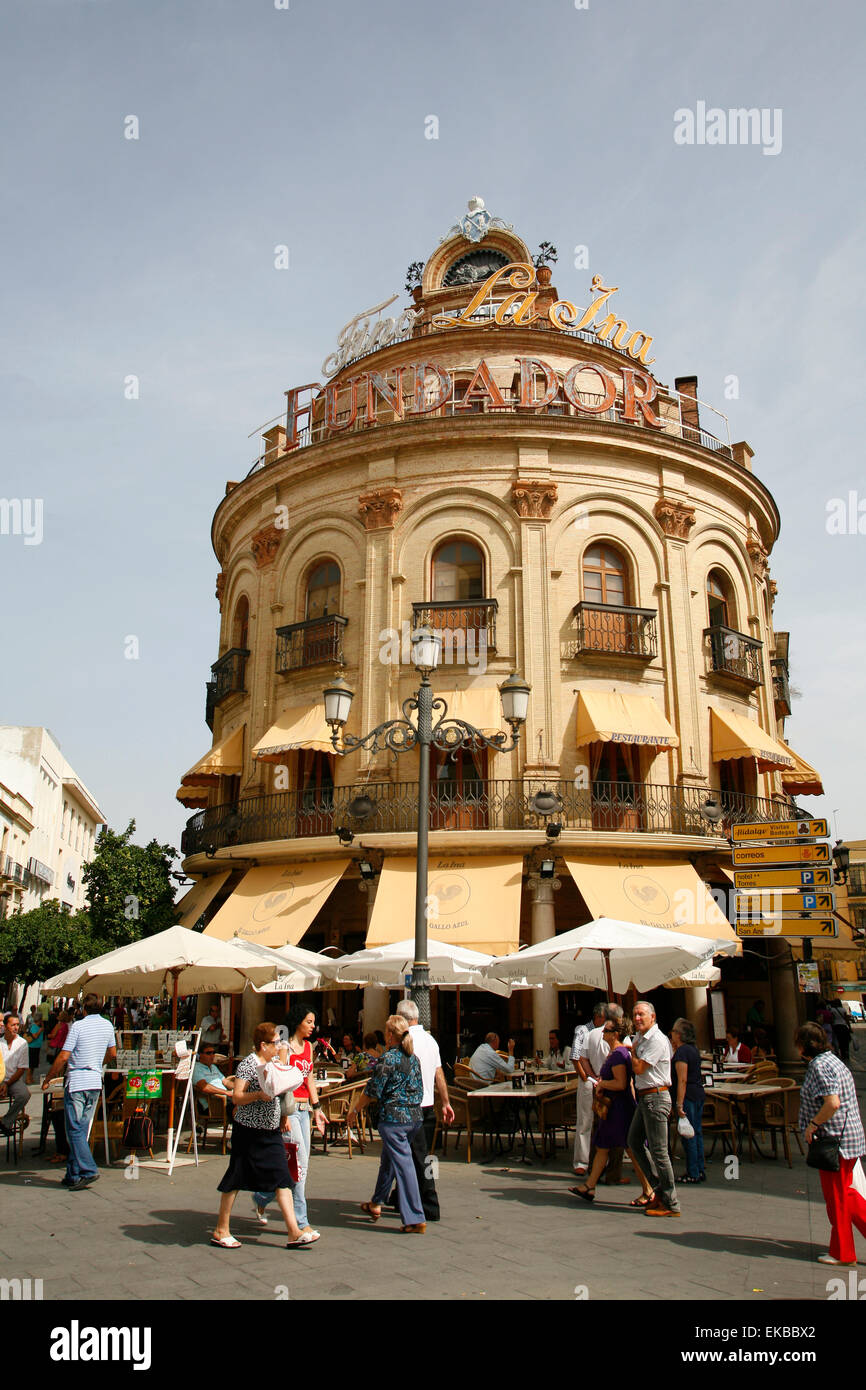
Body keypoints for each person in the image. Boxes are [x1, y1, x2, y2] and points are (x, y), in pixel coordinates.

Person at [212, 1021, 316, 1249]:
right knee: (236, 1177)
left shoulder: (274, 1063)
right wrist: (258, 1094)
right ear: (263, 1044)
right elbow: (237, 1097)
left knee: (282, 1178)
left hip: (270, 1131)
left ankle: (293, 1231)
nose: (279, 1046)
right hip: (248, 1131)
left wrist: (282, 1116)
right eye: (275, 1043)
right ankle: (221, 1229)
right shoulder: (249, 1064)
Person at [252, 1005, 327, 1238]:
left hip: (304, 1110)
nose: (313, 1026)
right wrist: (283, 1115)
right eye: (309, 1022)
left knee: (294, 1167)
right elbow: (280, 1082)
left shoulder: (309, 1047)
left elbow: (310, 1078)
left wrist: (317, 1109)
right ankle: (301, 1222)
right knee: (300, 1166)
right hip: (291, 1111)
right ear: (298, 1022)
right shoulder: (285, 1048)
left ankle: (262, 1196)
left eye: (313, 1022)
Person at [796, 1021, 866, 1265]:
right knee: (844, 1193)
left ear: (804, 1045)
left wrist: (813, 1124)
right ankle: (842, 1250)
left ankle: (842, 1252)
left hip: (834, 1140)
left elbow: (832, 1102)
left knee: (838, 1197)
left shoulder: (819, 1066)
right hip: (847, 1136)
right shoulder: (833, 1060)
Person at [354, 1015, 426, 1232]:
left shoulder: (389, 1058)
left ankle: (415, 1218)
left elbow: (373, 1089)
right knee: (389, 1161)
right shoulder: (413, 1059)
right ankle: (376, 1202)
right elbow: (420, 1090)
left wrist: (355, 1109)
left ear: (389, 1035)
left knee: (404, 1166)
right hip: (414, 1119)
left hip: (394, 1120)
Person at [570, 1016, 653, 1203]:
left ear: (615, 1034)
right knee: (603, 1146)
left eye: (606, 1031)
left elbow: (621, 1083)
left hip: (619, 1109)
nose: (602, 1033)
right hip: (615, 1109)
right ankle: (589, 1186)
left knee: (631, 1149)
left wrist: (602, 1083)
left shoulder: (618, 1055)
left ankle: (649, 1189)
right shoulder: (618, 1053)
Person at [41, 994, 116, 1190]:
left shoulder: (78, 1026)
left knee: (73, 1129)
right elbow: (113, 1053)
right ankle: (73, 1174)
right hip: (94, 1082)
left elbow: (64, 1056)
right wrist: (97, 1063)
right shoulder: (108, 1026)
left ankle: (88, 1170)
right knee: (81, 1129)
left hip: (77, 1082)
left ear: (84, 1009)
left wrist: (49, 1077)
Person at [390, 999, 455, 1223]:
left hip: (409, 1108)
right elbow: (439, 1073)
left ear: (400, 1019)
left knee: (417, 1158)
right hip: (428, 1107)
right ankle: (400, 1196)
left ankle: (430, 1203)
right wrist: (445, 1102)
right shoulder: (431, 1041)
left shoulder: (406, 1042)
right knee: (423, 1156)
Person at [627, 1000, 681, 1217]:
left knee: (659, 1151)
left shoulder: (657, 1040)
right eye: (635, 1015)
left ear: (653, 1017)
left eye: (641, 1014)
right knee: (633, 1141)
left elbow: (639, 1068)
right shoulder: (641, 1038)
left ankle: (671, 1202)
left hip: (656, 1096)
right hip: (645, 1097)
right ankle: (658, 1188)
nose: (637, 1018)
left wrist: (630, 1052)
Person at [670, 1017, 705, 1184]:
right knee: (696, 1132)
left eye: (674, 1031)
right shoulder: (694, 1049)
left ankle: (692, 1171)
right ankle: (699, 1168)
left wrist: (679, 1103)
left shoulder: (682, 1052)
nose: (672, 1034)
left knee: (688, 1134)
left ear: (680, 1035)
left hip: (688, 1096)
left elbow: (682, 1079)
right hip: (698, 1094)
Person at [572, 1004, 606, 1176]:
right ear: (598, 1016)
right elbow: (575, 1057)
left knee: (604, 1121)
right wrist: (586, 1078)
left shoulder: (606, 1032)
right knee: (585, 1120)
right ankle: (581, 1161)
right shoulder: (583, 1030)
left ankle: (601, 1159)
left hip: (604, 1081)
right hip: (588, 1080)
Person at [0, 1014, 31, 1135]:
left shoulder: (22, 1043)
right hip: (0, 1079)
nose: (16, 1027)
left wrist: (7, 1084)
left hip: (13, 1080)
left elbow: (21, 1069)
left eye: (18, 1025)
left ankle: (6, 1121)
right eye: (13, 1025)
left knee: (24, 1094)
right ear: (6, 1026)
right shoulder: (0, 1043)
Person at [192, 1044, 232, 1114]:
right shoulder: (196, 1067)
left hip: (225, 1099)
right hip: (212, 1104)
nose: (212, 1055)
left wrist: (240, 1087)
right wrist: (226, 1092)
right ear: (200, 1055)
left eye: (213, 1053)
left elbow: (226, 1082)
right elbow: (204, 1087)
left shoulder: (213, 1067)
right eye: (208, 1053)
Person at [24, 1006, 44, 1083]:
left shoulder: (39, 1026)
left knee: (34, 1064)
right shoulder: (34, 1026)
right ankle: (28, 1078)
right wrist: (40, 1031)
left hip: (36, 1047)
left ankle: (31, 1077)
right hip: (32, 1047)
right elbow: (34, 1036)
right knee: (30, 1064)